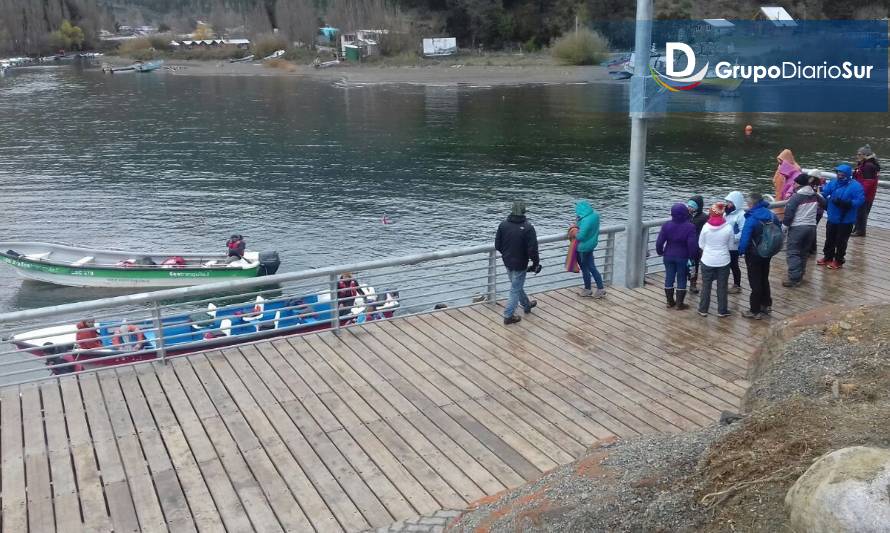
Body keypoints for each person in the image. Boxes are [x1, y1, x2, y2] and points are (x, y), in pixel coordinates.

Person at [495, 200, 540, 325]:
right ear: (524, 211)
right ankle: (508, 315)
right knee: (515, 288)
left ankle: (526, 305)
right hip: (521, 263)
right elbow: (533, 250)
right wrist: (536, 264)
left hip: (507, 260)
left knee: (516, 285)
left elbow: (497, 245)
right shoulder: (528, 228)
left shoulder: (503, 225)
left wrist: (506, 254)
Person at [738, 193, 782, 319]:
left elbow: (745, 239)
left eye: (748, 203)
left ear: (751, 204)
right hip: (768, 251)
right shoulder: (771, 215)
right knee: (764, 277)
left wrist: (741, 252)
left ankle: (754, 310)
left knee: (755, 281)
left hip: (754, 254)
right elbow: (778, 229)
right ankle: (766, 304)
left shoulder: (751, 218)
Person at [782, 174, 826, 287]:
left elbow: (789, 214)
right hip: (811, 227)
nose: (794, 184)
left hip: (798, 227)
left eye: (795, 183)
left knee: (793, 252)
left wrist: (784, 227)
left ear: (799, 184)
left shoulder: (796, 197)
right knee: (803, 253)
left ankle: (794, 279)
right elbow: (825, 204)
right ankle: (800, 275)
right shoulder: (815, 195)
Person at [818, 164, 865, 269]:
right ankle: (828, 257)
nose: (839, 175)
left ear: (847, 175)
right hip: (832, 217)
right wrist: (819, 193)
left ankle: (839, 260)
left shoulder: (856, 186)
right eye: (838, 173)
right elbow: (825, 193)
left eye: (842, 173)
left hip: (846, 219)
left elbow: (860, 200)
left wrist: (848, 203)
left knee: (841, 241)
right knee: (829, 239)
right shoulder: (833, 182)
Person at [656, 203, 698, 310]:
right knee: (681, 278)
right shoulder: (690, 227)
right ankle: (680, 304)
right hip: (683, 256)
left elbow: (659, 242)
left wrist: (660, 252)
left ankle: (670, 302)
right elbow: (692, 245)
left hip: (668, 255)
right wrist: (693, 257)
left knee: (669, 277)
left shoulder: (666, 225)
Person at [697, 203, 733, 317]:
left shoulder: (706, 227)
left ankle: (703, 309)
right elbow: (731, 246)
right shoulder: (728, 227)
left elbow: (701, 244)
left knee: (706, 285)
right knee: (722, 286)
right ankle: (722, 310)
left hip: (707, 260)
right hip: (723, 261)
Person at [574, 200, 606, 298]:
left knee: (586, 268)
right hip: (591, 245)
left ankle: (589, 289)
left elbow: (581, 236)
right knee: (592, 266)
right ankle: (599, 288)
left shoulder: (585, 221)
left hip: (583, 248)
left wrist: (574, 232)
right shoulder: (595, 216)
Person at [853, 144, 880, 237]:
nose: (858, 156)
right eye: (857, 154)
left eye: (860, 154)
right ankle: (857, 229)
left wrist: (860, 193)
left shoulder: (868, 166)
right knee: (860, 212)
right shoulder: (865, 164)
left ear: (865, 155)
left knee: (862, 212)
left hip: (865, 194)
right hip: (863, 192)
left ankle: (860, 231)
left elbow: (868, 182)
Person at [723, 191, 747, 294]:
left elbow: (743, 231)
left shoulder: (741, 215)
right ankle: (723, 283)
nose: (727, 204)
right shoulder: (725, 213)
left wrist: (733, 238)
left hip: (734, 246)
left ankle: (737, 285)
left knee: (734, 265)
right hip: (724, 244)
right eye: (727, 202)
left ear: (736, 203)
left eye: (730, 202)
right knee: (724, 265)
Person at [687, 196, 708, 294]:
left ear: (698, 207)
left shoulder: (704, 217)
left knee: (694, 265)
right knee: (685, 264)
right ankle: (684, 281)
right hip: (685, 244)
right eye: (689, 205)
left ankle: (693, 284)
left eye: (692, 206)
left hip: (697, 246)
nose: (689, 208)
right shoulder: (686, 215)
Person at [772, 149, 800, 219]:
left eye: (781, 161)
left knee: (783, 211)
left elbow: (793, 184)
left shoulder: (796, 169)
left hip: (786, 195)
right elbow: (775, 179)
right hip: (780, 193)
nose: (780, 163)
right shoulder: (781, 168)